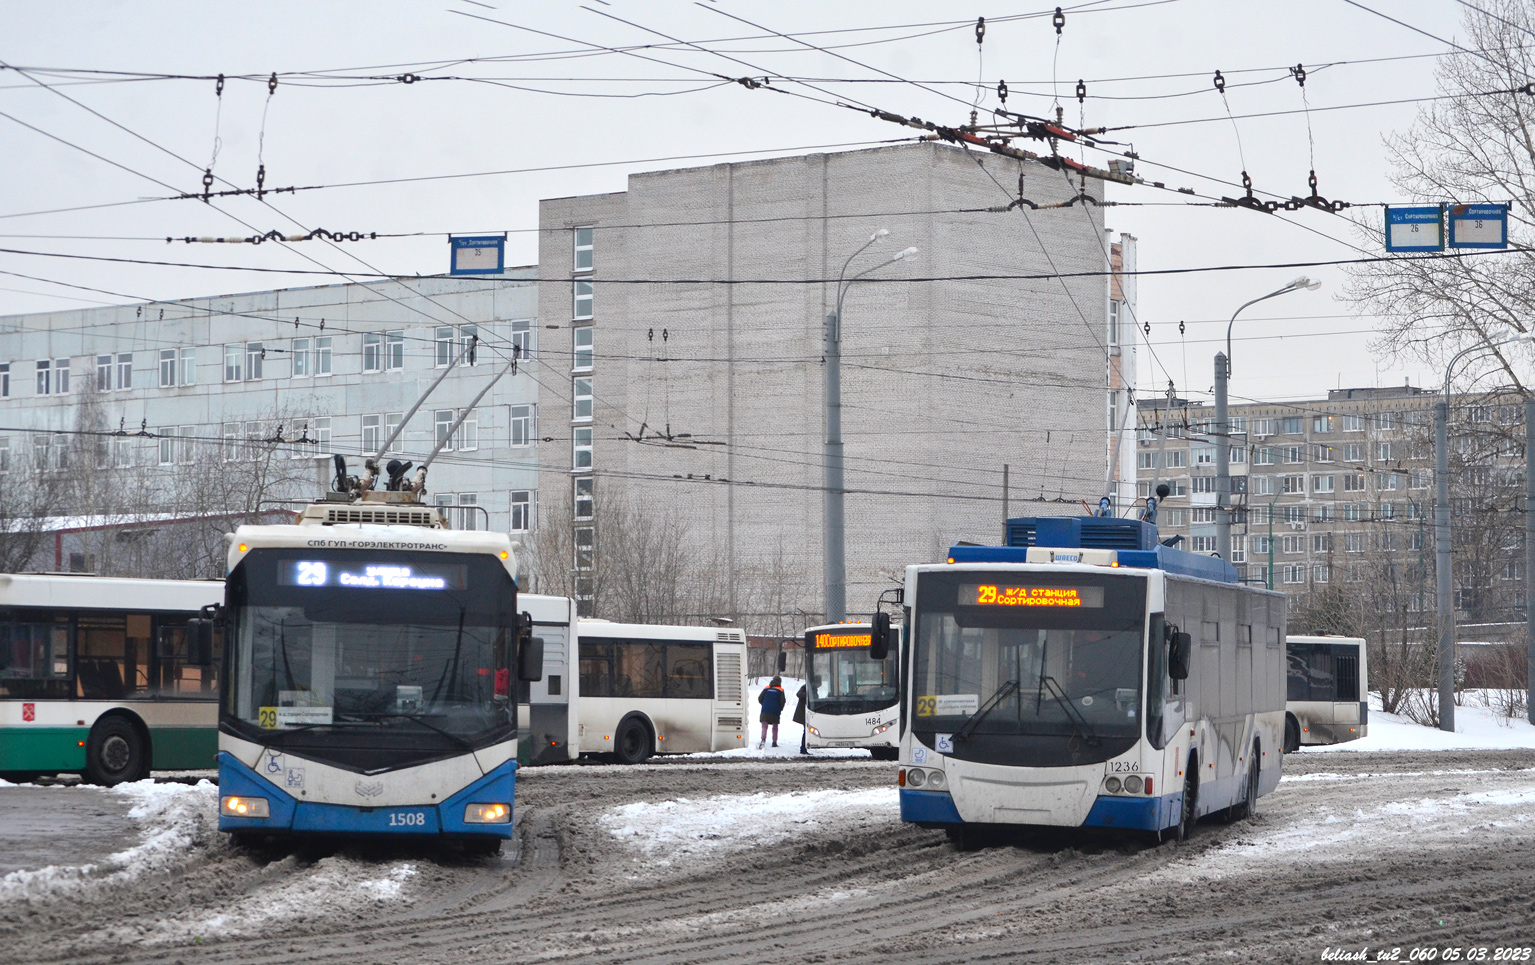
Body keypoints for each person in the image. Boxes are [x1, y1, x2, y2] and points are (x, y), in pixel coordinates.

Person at [757, 676, 786, 748]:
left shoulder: (766, 688)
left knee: (764, 725)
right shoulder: (780, 690)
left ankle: (763, 739)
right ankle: (774, 742)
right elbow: (782, 701)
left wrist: (764, 704)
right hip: (775, 710)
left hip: (765, 710)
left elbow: (760, 698)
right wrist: (780, 708)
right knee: (775, 726)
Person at [793, 683, 809, 754]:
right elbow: (798, 694)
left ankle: (804, 748)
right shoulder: (806, 687)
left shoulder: (811, 688)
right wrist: (809, 695)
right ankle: (803, 748)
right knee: (806, 731)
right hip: (803, 713)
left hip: (806, 712)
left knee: (806, 731)